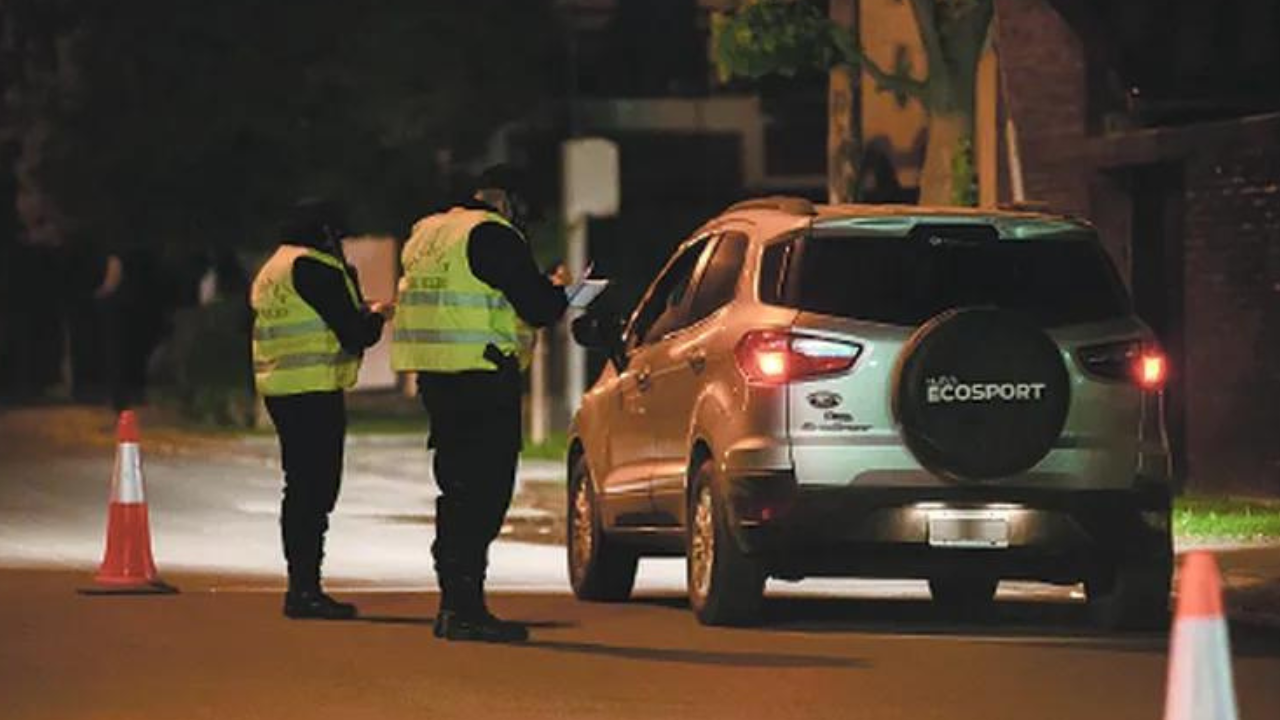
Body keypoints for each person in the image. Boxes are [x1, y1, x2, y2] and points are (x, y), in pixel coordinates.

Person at [392, 165, 568, 642]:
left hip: (436, 376)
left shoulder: (425, 233)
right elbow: (536, 308)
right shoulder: (492, 234)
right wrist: (561, 292)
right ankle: (465, 608)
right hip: (482, 376)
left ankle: (455, 604)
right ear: (507, 202)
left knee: (457, 490)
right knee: (486, 493)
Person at [250, 198, 394, 620]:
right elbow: (353, 334)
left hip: (280, 387)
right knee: (315, 492)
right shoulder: (317, 268)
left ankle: (301, 586)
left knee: (299, 488)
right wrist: (376, 316)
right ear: (325, 233)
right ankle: (305, 591)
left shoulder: (273, 267)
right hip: (314, 389)